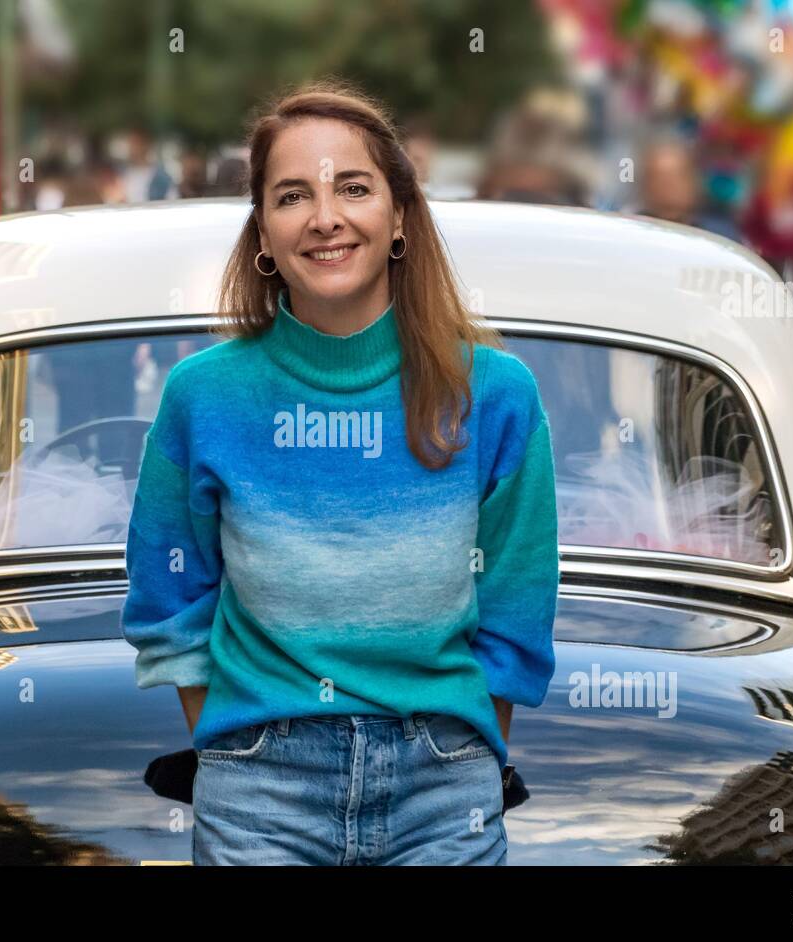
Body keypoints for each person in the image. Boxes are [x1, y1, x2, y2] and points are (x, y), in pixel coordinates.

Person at [120, 81, 560, 865]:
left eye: (352, 187)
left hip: (445, 788)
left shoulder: (497, 396)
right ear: (263, 230)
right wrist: (231, 742)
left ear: (398, 217)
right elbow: (169, 597)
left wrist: (468, 754)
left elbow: (516, 605)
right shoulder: (202, 397)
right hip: (256, 792)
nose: (325, 216)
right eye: (293, 195)